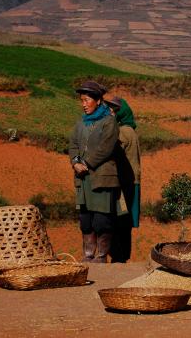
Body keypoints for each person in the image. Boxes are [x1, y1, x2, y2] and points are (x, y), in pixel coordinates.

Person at [68, 81, 120, 263]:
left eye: (87, 100)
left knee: (101, 220)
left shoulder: (109, 122)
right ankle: (88, 255)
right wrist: (75, 162)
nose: (83, 104)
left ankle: (101, 256)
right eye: (81, 100)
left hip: (101, 178)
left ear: (98, 100)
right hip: (83, 179)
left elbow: (106, 147)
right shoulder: (80, 123)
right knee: (86, 220)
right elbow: (73, 144)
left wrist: (86, 162)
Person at [105, 96, 141, 263]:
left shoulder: (123, 132)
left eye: (114, 110)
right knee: (124, 222)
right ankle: (123, 256)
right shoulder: (131, 130)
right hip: (131, 182)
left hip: (123, 183)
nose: (111, 112)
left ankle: (118, 256)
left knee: (118, 220)